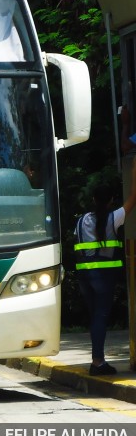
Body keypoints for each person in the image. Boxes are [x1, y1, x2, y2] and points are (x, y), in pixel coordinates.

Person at [74, 159, 136, 375]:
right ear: (111, 200)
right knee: (100, 317)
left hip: (85, 276)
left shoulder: (81, 221)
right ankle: (98, 362)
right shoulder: (114, 218)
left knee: (95, 318)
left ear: (92, 199)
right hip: (104, 277)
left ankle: (97, 360)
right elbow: (133, 198)